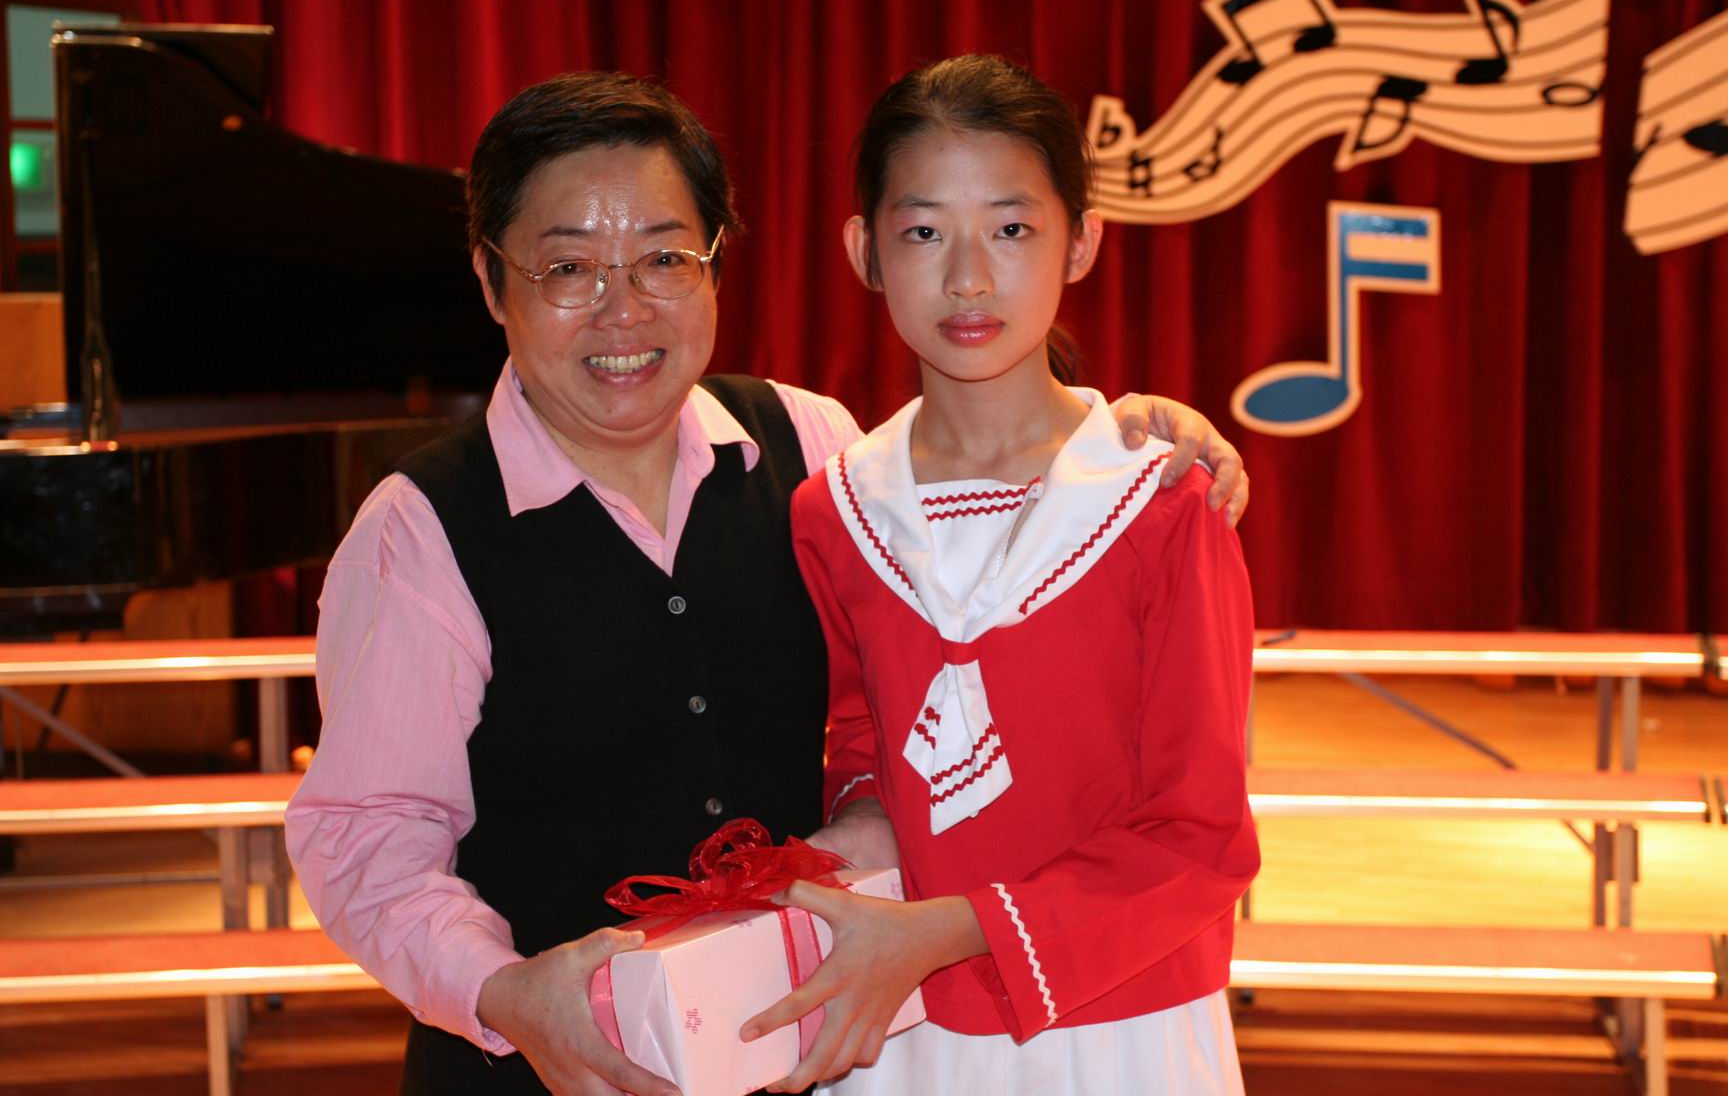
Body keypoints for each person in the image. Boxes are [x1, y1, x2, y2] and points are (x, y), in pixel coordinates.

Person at [284, 69, 1250, 1096]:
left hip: (817, 1052)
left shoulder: (817, 453)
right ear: (491, 280)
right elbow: (364, 836)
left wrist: (1124, 433)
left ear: (714, 265)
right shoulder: (418, 532)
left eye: (664, 258)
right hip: (549, 1071)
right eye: (569, 268)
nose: (623, 310)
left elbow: (896, 696)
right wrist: (503, 992)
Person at [740, 55, 1259, 1094]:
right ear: (864, 251)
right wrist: (831, 859)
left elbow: (1201, 834)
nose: (969, 279)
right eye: (924, 233)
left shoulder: (1161, 501)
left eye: (1012, 229)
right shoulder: (835, 511)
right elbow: (864, 753)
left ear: (1083, 241)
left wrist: (954, 927)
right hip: (900, 1018)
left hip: (1120, 1022)